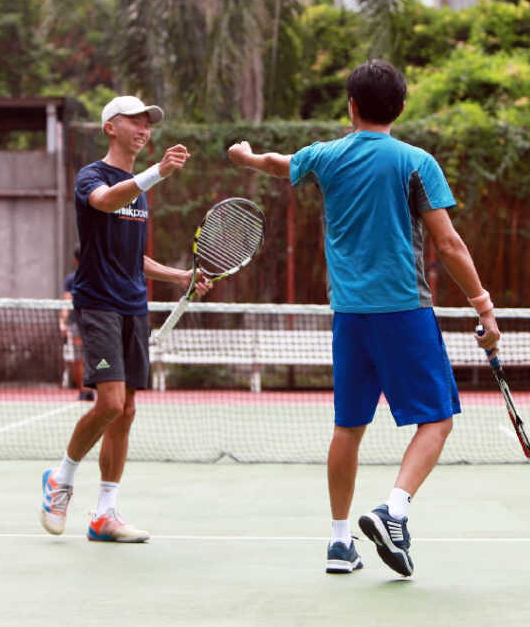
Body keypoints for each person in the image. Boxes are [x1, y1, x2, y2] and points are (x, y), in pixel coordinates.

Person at [228, 59, 500, 578]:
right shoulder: (416, 161)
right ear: (400, 106)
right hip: (403, 311)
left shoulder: (325, 157)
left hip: (349, 316)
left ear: (350, 106)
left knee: (348, 427)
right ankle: (393, 512)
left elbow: (276, 162)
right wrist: (484, 306)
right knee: (437, 419)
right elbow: (448, 242)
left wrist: (245, 156)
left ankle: (337, 542)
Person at [40, 95, 211, 543]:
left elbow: (133, 255)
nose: (143, 129)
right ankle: (61, 478)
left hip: (134, 306)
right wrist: (157, 173)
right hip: (98, 303)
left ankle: (105, 514)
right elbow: (105, 201)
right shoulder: (92, 177)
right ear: (109, 128)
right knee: (110, 403)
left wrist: (180, 276)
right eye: (133, 121)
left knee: (127, 411)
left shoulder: (138, 190)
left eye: (147, 123)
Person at [60, 244, 94, 401]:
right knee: (82, 358)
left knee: (81, 358)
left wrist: (63, 321)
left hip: (92, 323)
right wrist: (63, 321)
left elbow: (66, 301)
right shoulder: (72, 280)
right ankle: (85, 389)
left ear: (75, 260)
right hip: (81, 323)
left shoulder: (94, 278)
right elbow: (67, 300)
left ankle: (85, 389)